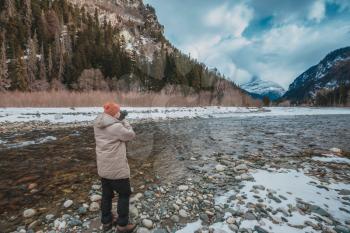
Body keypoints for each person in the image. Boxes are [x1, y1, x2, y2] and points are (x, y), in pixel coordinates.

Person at [93, 102, 137, 233]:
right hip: (117, 169)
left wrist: (118, 118)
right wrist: (124, 120)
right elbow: (131, 135)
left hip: (103, 168)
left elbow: (110, 127)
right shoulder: (116, 126)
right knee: (124, 194)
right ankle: (122, 225)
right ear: (114, 113)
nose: (120, 113)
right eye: (118, 111)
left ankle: (106, 222)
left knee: (106, 195)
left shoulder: (97, 124)